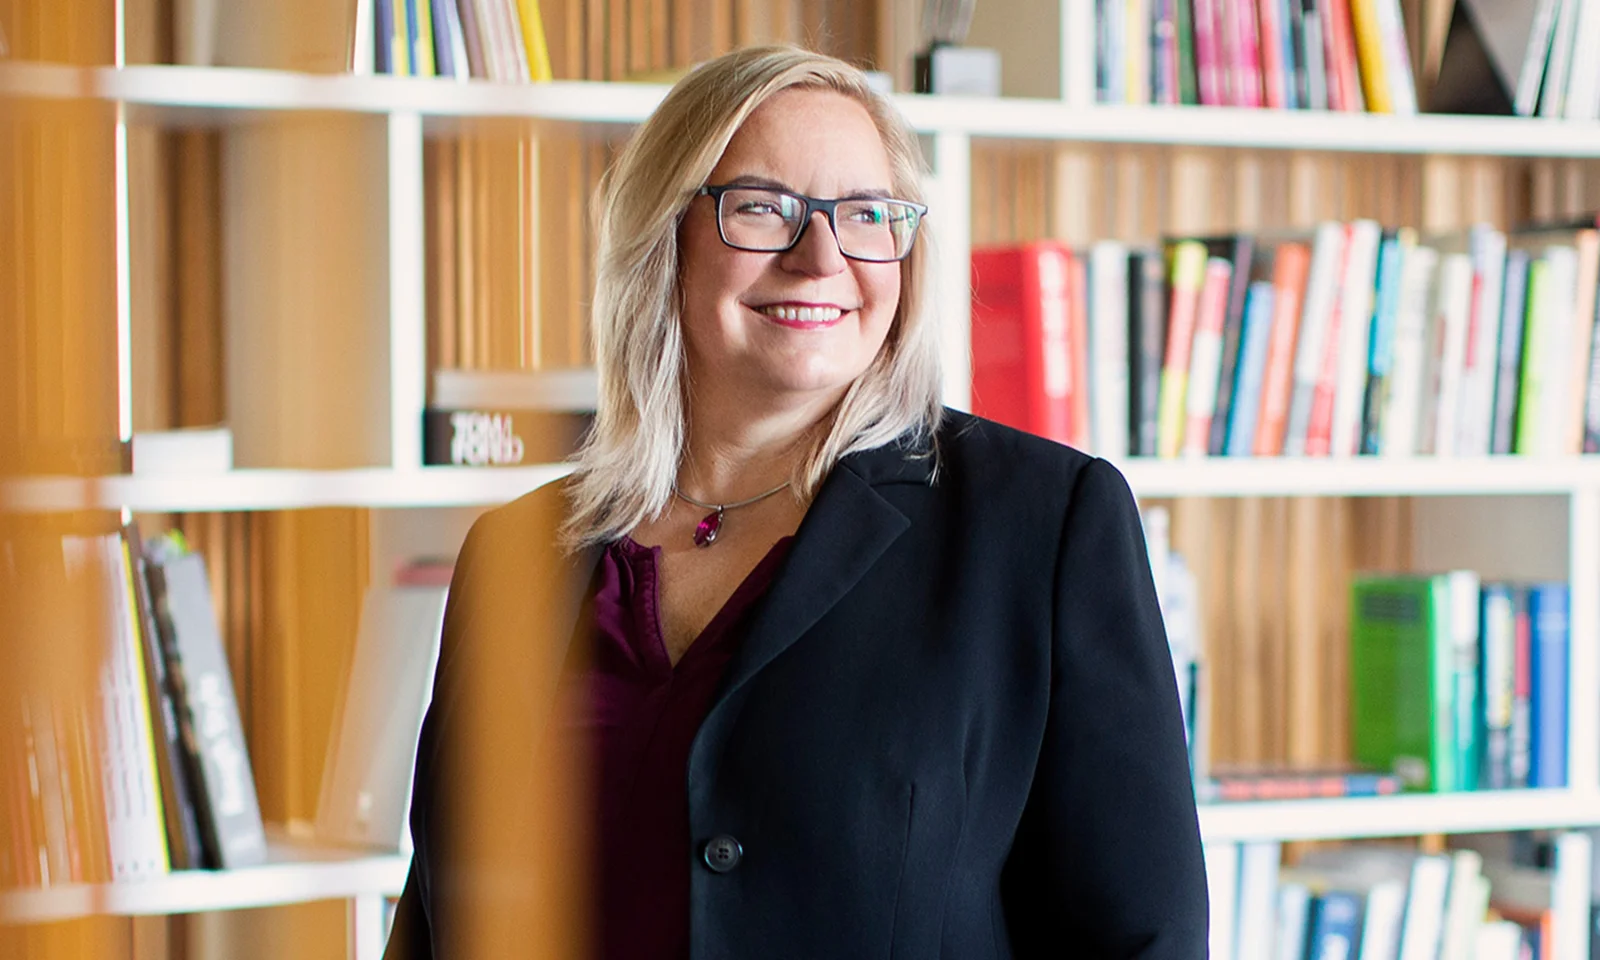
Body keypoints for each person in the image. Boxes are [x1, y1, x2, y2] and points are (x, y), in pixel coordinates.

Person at [385, 44, 1207, 960]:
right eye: (764, 207)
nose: (822, 256)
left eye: (865, 213)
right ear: (664, 237)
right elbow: (431, 920)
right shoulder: (514, 552)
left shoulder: (1043, 525)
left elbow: (1145, 939)